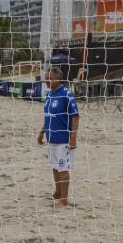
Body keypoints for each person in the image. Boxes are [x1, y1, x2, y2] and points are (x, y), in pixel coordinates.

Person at [37, 67, 80, 208]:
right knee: (54, 167)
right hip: (51, 138)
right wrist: (42, 132)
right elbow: (47, 116)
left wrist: (73, 137)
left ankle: (64, 200)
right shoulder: (49, 94)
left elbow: (75, 116)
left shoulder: (67, 94)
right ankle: (58, 192)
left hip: (63, 139)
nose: (46, 80)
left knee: (62, 168)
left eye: (49, 78)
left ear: (57, 79)